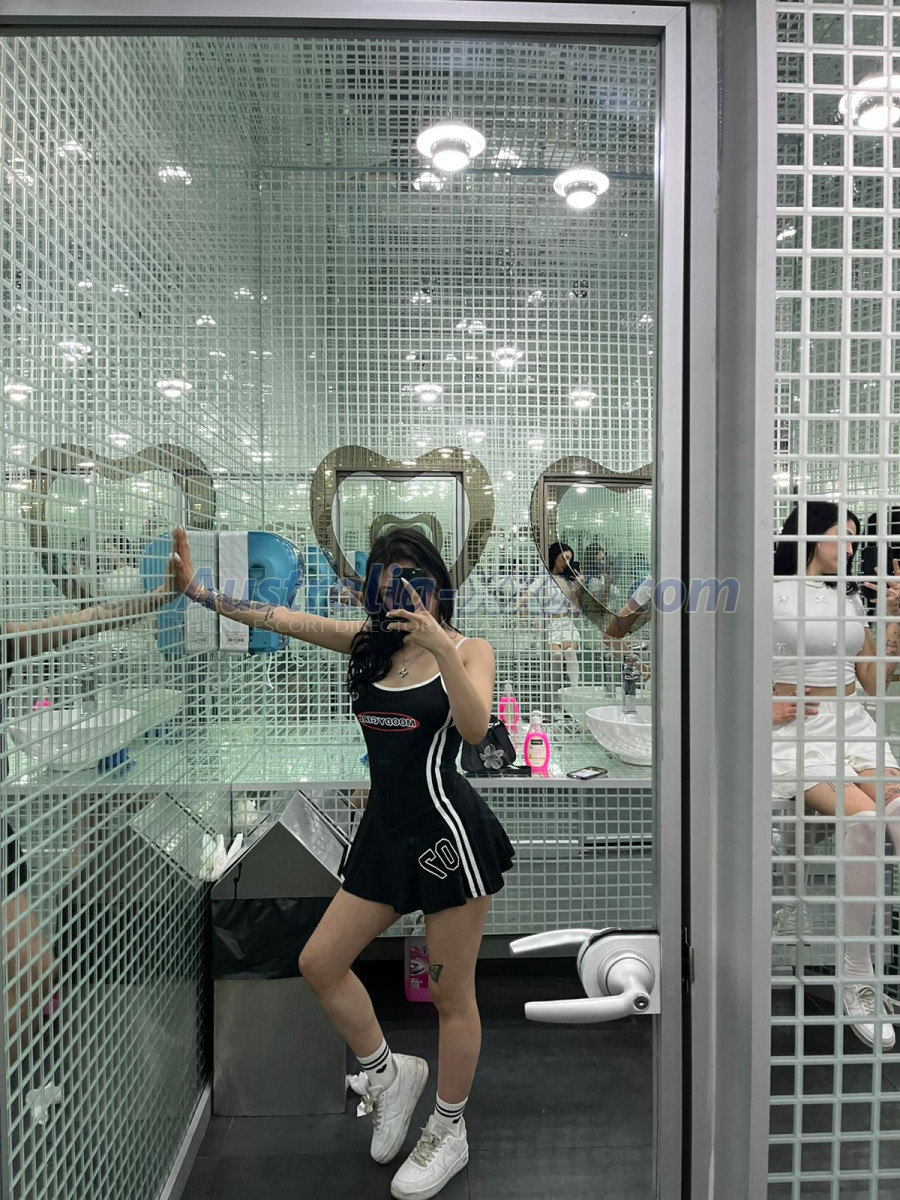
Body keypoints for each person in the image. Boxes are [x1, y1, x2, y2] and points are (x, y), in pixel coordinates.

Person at [170, 525, 514, 1200]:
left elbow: (476, 729)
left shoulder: (470, 649)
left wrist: (440, 645)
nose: (401, 589)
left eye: (414, 576)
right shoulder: (368, 645)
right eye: (388, 578)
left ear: (437, 583)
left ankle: (448, 1129)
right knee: (320, 961)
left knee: (451, 996)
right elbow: (279, 618)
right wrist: (201, 595)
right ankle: (390, 1076)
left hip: (448, 839)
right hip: (385, 835)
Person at [1, 572, 175, 1061]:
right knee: (35, 971)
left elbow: (79, 621)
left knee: (38, 972)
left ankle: (15, 1083)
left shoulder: (6, 641)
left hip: (2, 840)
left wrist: (155, 599)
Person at [772, 501, 900, 1050]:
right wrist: (761, 705)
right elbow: (719, 668)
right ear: (807, 537)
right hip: (796, 731)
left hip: (855, 723)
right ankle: (856, 974)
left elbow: (874, 681)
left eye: (854, 538)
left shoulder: (849, 600)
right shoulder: (765, 592)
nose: (851, 547)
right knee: (866, 822)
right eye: (840, 536)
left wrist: (893, 617)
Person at [520, 541, 584, 712]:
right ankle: (555, 704)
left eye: (570, 559)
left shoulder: (568, 581)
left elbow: (576, 613)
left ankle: (575, 697)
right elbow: (522, 602)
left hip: (566, 623)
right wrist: (530, 620)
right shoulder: (543, 578)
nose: (567, 562)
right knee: (556, 656)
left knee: (570, 653)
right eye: (564, 558)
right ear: (555, 556)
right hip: (550, 625)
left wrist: (578, 588)